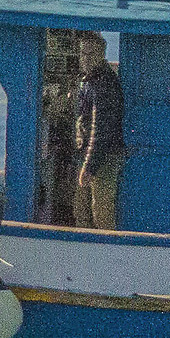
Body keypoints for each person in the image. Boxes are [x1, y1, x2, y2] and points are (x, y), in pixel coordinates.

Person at [74, 37, 126, 229]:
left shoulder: (103, 83)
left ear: (101, 55)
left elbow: (101, 129)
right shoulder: (87, 81)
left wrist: (89, 165)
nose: (85, 59)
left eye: (91, 54)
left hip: (104, 155)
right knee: (81, 209)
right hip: (89, 152)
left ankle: (109, 251)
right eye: (83, 53)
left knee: (101, 210)